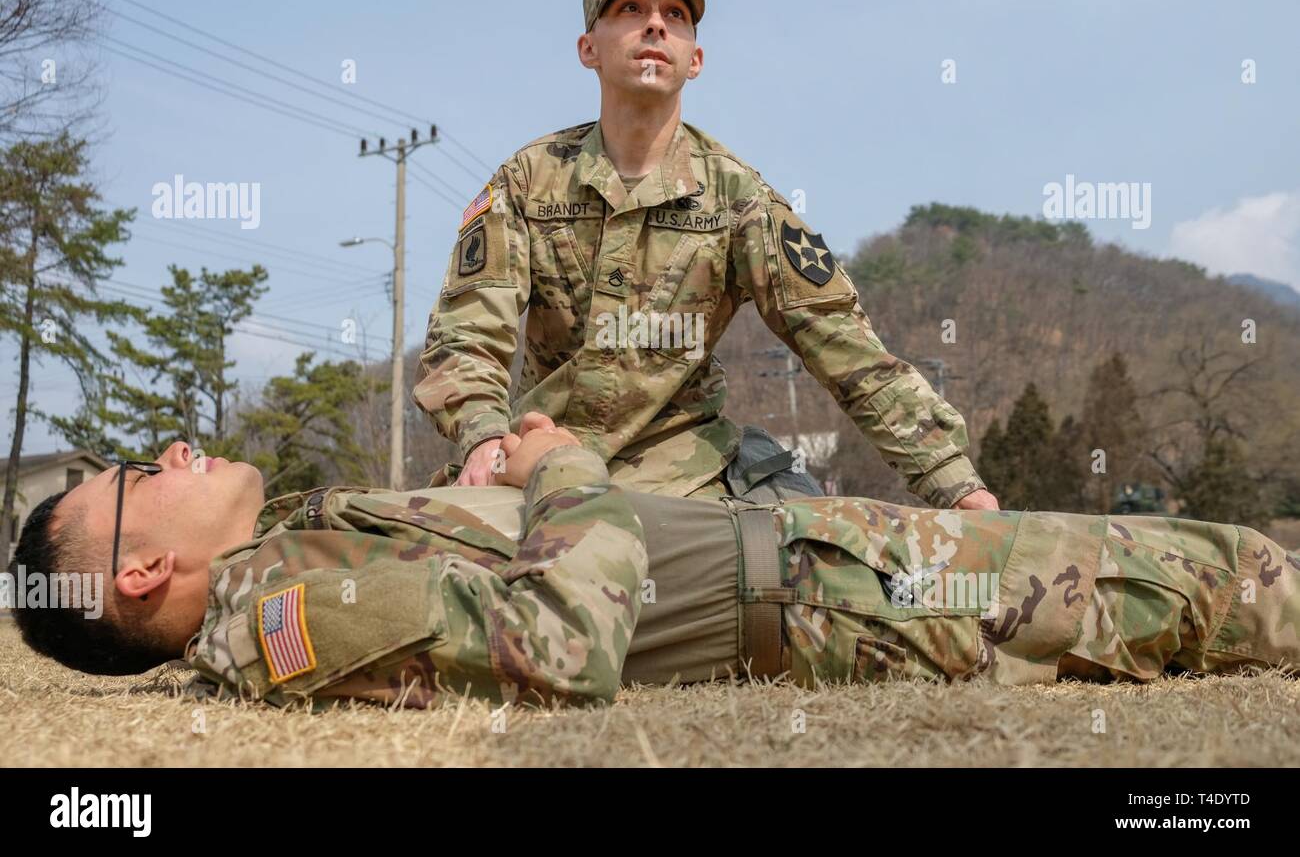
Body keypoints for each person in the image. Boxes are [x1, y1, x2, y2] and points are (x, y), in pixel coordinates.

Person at [10, 419, 1297, 709]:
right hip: (837, 597)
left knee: (1218, 563)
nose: (177, 450)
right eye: (144, 474)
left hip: (816, 554)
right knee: (1220, 586)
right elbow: (561, 652)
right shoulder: (285, 609)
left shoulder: (292, 553)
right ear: (138, 575)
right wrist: (558, 466)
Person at [413, 0, 999, 512]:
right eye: (630, 10)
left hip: (689, 480)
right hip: (539, 461)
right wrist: (484, 438)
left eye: (675, 16)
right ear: (588, 48)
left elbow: (843, 346)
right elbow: (468, 333)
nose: (655, 26)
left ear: (694, 59)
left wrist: (956, 485)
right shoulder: (529, 180)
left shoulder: (739, 198)